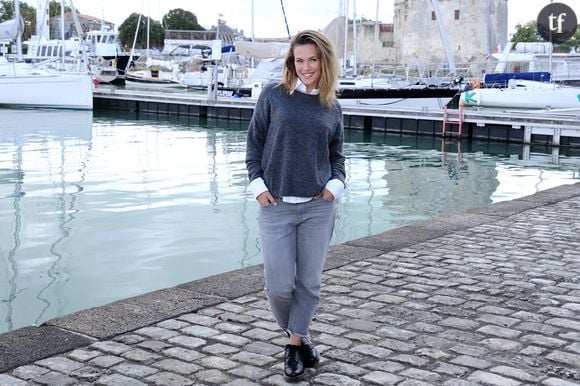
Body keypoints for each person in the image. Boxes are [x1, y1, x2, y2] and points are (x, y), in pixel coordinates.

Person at [245, 30, 345, 382]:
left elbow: (337, 156)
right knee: (278, 286)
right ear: (292, 62)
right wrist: (258, 187)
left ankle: (293, 345)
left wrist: (334, 187)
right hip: (277, 205)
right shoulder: (273, 95)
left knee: (309, 284)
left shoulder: (331, 106)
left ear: (324, 62)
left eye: (312, 60)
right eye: (299, 60)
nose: (305, 67)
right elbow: (254, 146)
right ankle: (301, 340)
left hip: (319, 208)